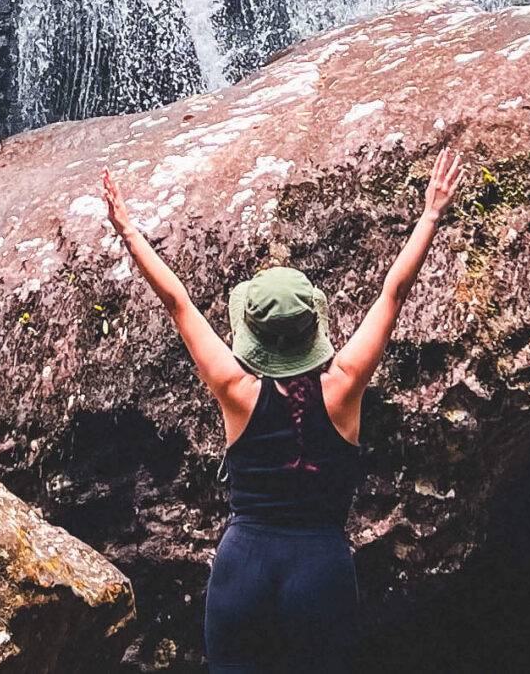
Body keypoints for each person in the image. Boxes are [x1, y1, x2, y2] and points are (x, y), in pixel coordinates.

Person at [101, 149, 466, 674]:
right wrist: (430, 214)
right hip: (320, 570)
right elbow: (394, 293)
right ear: (313, 328)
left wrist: (128, 231)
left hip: (243, 569)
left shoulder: (235, 388)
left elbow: (178, 303)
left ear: (252, 335)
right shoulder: (344, 386)